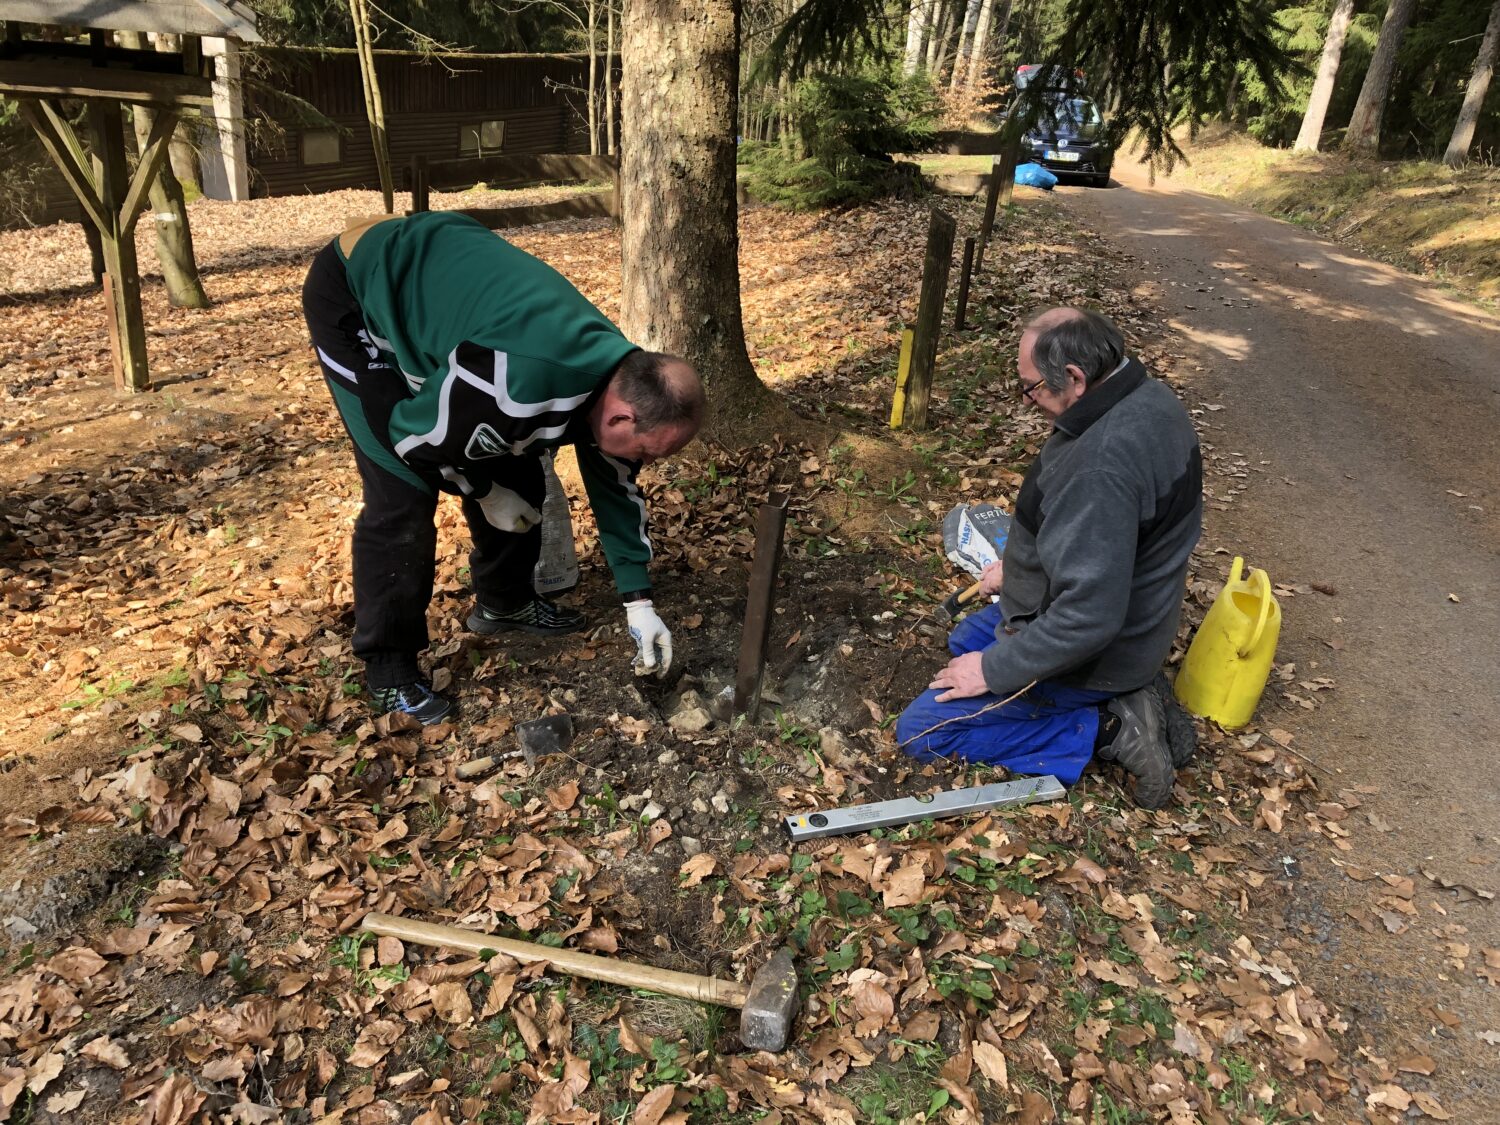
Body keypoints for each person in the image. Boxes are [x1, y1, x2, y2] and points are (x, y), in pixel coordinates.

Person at [301, 210, 705, 725]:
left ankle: (505, 602)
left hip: (450, 290)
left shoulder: (621, 379)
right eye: (647, 453)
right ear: (620, 417)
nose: (644, 463)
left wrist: (638, 602)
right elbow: (414, 440)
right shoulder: (511, 385)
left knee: (520, 470)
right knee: (401, 494)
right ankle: (388, 672)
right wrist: (486, 492)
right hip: (359, 289)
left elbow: (615, 487)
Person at [896, 307, 1201, 808]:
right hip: (1133, 611)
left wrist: (992, 671)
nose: (1027, 400)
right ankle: (1127, 693)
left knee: (923, 731)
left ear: (1075, 378)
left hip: (1101, 649)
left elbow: (1087, 619)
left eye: (1031, 387)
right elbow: (1103, 541)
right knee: (963, 639)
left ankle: (1108, 726)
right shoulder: (1143, 395)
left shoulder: (1101, 469)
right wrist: (1023, 568)